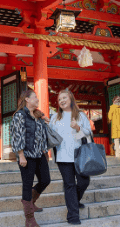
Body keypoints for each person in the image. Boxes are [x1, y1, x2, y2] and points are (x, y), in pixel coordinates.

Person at [49, 89, 92, 225]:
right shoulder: (55, 117)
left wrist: (78, 128)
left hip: (80, 155)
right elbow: (50, 136)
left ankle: (75, 200)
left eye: (64, 98)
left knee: (84, 181)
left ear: (71, 99)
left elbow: (89, 133)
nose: (61, 101)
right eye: (59, 99)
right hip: (62, 156)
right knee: (69, 185)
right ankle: (73, 216)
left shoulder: (80, 115)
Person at [10, 90, 51, 227]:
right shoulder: (20, 115)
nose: (37, 99)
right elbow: (17, 136)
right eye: (35, 97)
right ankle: (29, 219)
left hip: (40, 154)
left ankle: (31, 203)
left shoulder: (38, 115)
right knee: (27, 185)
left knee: (46, 180)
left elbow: (42, 135)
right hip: (26, 156)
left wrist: (46, 121)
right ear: (27, 99)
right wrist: (21, 155)